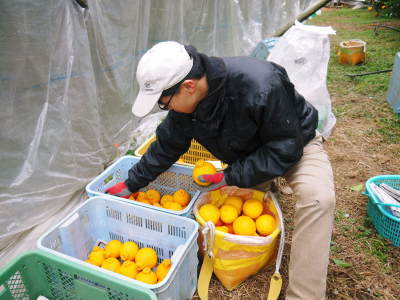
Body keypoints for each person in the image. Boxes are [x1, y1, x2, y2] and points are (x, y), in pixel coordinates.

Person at [106, 41, 335, 300]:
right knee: (234, 215)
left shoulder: (261, 83)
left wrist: (230, 176)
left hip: (295, 142)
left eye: (164, 102)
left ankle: (305, 295)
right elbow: (167, 146)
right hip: (246, 157)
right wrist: (131, 183)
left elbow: (285, 148)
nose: (165, 108)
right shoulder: (186, 107)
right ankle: (263, 188)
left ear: (188, 86)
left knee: (319, 199)